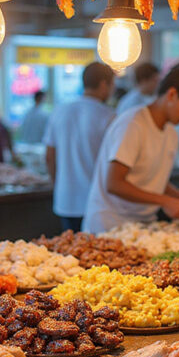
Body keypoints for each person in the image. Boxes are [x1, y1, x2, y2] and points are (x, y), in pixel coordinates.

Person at [83, 63, 179, 234]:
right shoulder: (133, 124)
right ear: (172, 94)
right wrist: (165, 201)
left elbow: (149, 177)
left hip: (144, 226)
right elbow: (114, 184)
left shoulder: (171, 133)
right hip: (110, 226)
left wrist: (176, 195)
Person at [44, 63, 115, 232]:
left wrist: (58, 184)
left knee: (71, 252)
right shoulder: (108, 116)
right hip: (96, 201)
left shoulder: (60, 111)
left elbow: (49, 156)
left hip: (65, 200)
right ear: (104, 84)